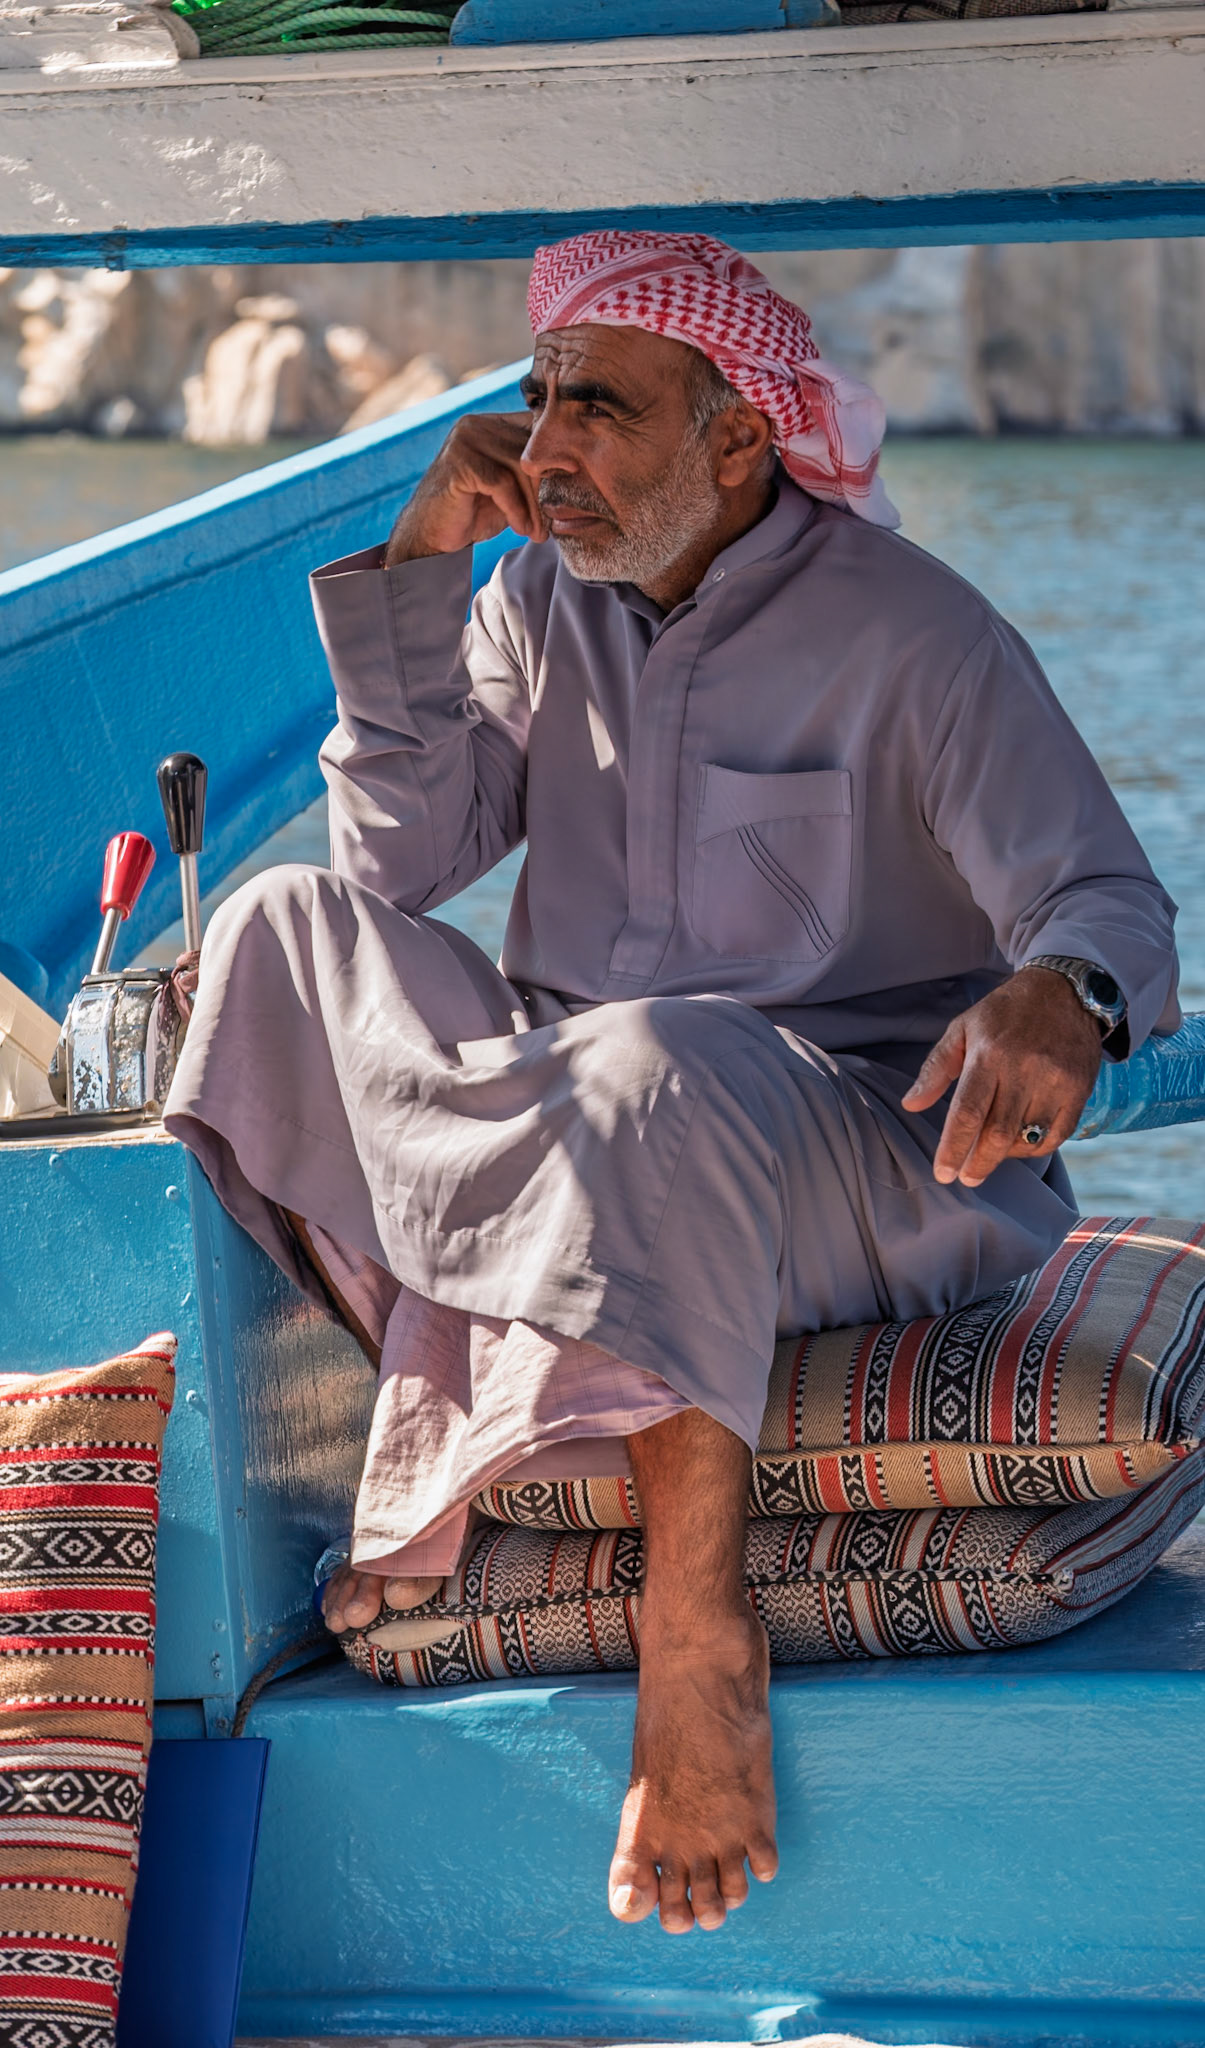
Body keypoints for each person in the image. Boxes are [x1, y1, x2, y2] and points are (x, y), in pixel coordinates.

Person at [165, 229, 1179, 1939]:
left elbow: (1103, 907)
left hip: (868, 1168)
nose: (547, 446)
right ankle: (457, 1357)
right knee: (277, 929)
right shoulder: (529, 597)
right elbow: (397, 861)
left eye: (598, 410)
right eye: (534, 400)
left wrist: (1058, 996)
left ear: (735, 437)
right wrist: (427, 555)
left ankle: (693, 1638)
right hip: (603, 1124)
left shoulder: (914, 633)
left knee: (648, 1056)